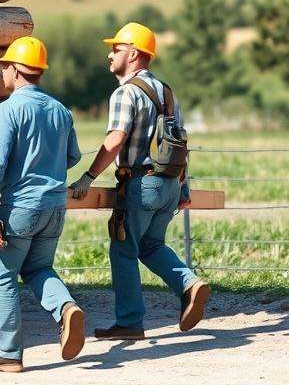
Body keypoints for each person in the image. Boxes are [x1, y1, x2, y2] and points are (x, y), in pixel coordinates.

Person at [69, 22, 210, 340]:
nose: (110, 54)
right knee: (152, 245)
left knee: (123, 251)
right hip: (169, 187)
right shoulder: (168, 92)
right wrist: (183, 188)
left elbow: (116, 139)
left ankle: (130, 322)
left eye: (116, 49)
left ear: (133, 54)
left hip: (139, 185)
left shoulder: (125, 92)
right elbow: (180, 143)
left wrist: (88, 177)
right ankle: (189, 283)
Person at [0, 36, 85, 373]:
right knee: (38, 268)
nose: (2, 71)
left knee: (2, 276)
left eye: (5, 65)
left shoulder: (7, 111)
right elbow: (73, 156)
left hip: (20, 207)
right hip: (54, 207)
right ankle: (65, 308)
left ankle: (8, 353)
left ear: (16, 71)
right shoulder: (60, 111)